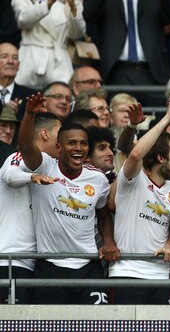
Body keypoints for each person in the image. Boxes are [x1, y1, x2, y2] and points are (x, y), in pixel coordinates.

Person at [17, 93, 119, 304]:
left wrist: (108, 241)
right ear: (59, 147)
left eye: (83, 144)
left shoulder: (98, 179)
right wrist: (29, 114)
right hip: (50, 266)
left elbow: (103, 215)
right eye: (72, 143)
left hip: (89, 266)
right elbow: (26, 147)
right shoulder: (45, 166)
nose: (78, 148)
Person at [109, 102, 170, 304]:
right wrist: (167, 118)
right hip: (127, 273)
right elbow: (134, 153)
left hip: (161, 277)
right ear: (160, 157)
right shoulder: (133, 180)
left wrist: (169, 245)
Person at [0, 112, 60, 304]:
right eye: (61, 131)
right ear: (45, 134)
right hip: (10, 262)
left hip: (34, 264)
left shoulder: (53, 167)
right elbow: (10, 175)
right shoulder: (17, 156)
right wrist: (31, 178)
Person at [12, 0, 86, 88]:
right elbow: (23, 21)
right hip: (30, 60)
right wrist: (49, 2)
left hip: (59, 63)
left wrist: (73, 7)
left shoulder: (70, 3)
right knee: (25, 103)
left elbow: (76, 33)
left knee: (60, 102)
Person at [0, 43, 37, 120]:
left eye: (15, 58)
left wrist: (15, 116)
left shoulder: (31, 97)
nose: (11, 61)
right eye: (4, 57)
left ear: (18, 65)